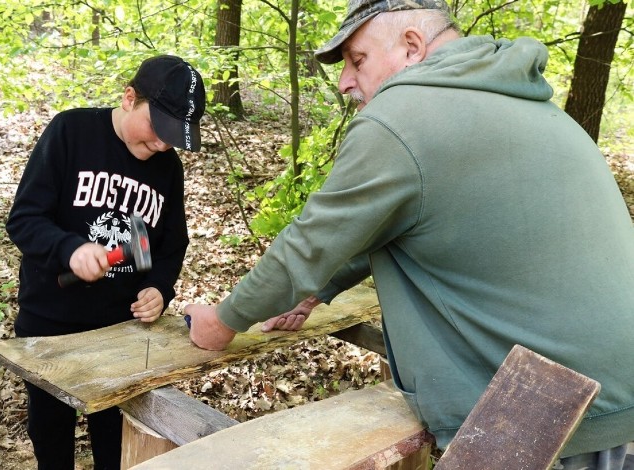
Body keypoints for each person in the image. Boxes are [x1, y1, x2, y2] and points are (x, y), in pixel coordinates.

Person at [184, 0, 634, 467]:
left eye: (357, 60)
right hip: (610, 387)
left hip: (544, 410)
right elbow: (422, 222)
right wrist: (318, 291)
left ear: (412, 46)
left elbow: (309, 244)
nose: (344, 83)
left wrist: (221, 323)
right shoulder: (523, 101)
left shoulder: (401, 115)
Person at [6, 54, 206, 469]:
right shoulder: (71, 132)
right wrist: (69, 248)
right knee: (51, 438)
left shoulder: (167, 169)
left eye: (174, 138)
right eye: (157, 129)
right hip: (51, 328)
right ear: (129, 98)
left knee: (115, 443)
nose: (163, 145)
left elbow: (167, 246)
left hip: (121, 332)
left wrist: (159, 288)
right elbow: (24, 219)